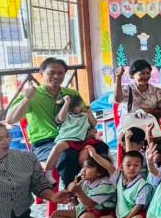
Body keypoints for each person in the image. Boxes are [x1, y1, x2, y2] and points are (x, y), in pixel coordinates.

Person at [6, 57, 104, 186]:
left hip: (76, 138)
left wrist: (91, 131)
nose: (56, 76)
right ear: (41, 73)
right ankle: (71, 192)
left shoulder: (71, 93)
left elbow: (84, 115)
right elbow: (10, 119)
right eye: (51, 72)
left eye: (60, 73)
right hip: (45, 143)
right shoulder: (32, 94)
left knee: (101, 150)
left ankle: (98, 190)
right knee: (69, 156)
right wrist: (27, 99)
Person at [51, 148, 115, 218]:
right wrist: (72, 189)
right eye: (83, 167)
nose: (83, 170)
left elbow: (90, 204)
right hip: (82, 209)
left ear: (99, 172)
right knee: (55, 215)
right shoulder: (85, 180)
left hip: (100, 212)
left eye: (88, 167)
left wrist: (78, 191)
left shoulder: (106, 184)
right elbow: (71, 188)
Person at [43, 95, 99, 180]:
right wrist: (67, 102)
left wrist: (89, 112)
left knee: (84, 157)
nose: (81, 106)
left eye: (80, 104)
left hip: (80, 140)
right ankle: (48, 173)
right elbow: (60, 118)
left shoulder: (85, 116)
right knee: (56, 148)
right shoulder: (65, 116)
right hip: (67, 139)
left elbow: (94, 124)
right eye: (78, 105)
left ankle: (83, 176)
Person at [97, 150, 151, 218]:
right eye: (128, 165)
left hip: (135, 214)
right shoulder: (119, 177)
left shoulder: (143, 185)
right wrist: (93, 154)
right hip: (119, 214)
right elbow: (108, 165)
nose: (132, 168)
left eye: (136, 165)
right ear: (121, 166)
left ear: (141, 167)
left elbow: (138, 206)